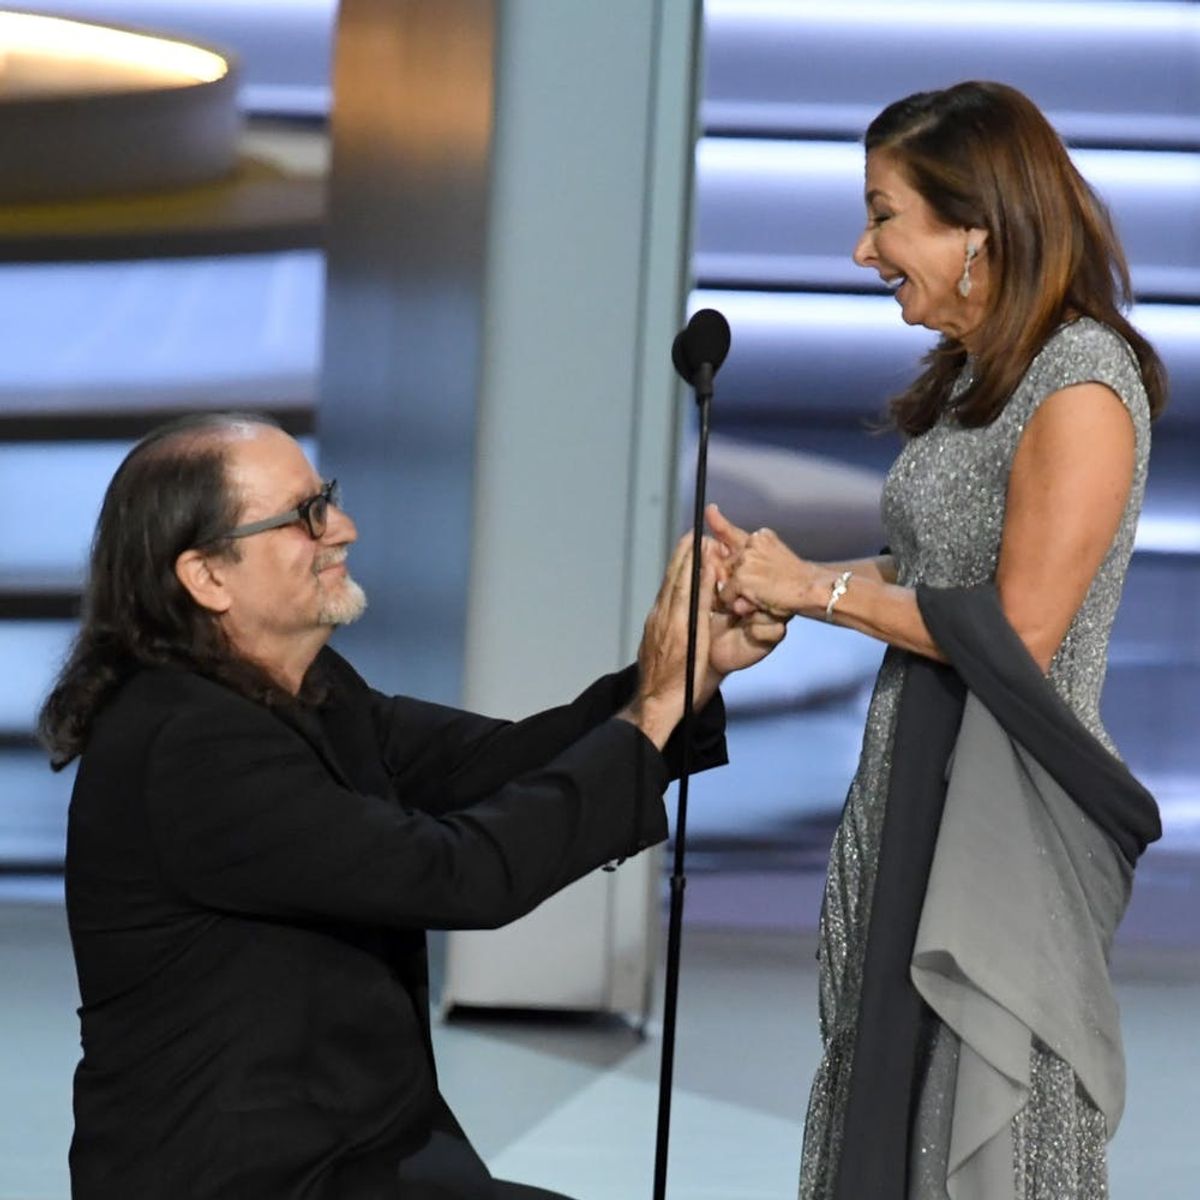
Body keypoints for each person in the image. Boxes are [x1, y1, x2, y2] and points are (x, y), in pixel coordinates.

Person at [39, 412, 786, 1200]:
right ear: (207, 577)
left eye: (327, 498)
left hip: (357, 1153)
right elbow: (457, 875)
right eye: (304, 516)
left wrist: (684, 677)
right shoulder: (189, 747)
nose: (343, 528)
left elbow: (498, 763)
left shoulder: (309, 691)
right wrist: (654, 709)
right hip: (246, 1178)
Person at [709, 81, 1166, 1199]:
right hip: (914, 771)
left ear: (976, 232)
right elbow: (932, 576)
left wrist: (818, 591)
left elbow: (1016, 629)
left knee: (984, 1107)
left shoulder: (1082, 388)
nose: (863, 250)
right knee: (886, 1081)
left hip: (1007, 811)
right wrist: (778, 578)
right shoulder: (976, 377)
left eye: (884, 216)